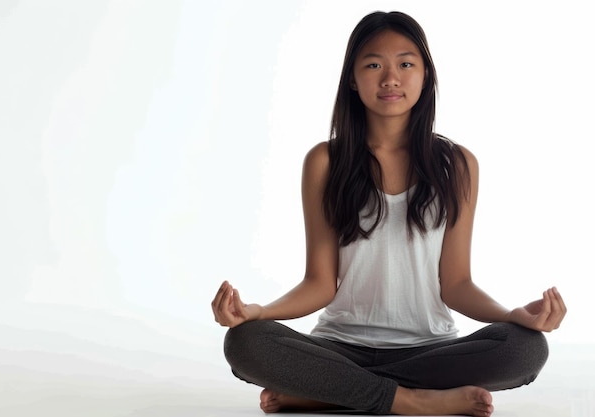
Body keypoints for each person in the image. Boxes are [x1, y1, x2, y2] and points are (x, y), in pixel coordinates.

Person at [211, 10, 566, 417]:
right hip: (339, 347)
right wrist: (256, 312)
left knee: (525, 348)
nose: (390, 78)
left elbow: (457, 284)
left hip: (430, 351)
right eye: (374, 64)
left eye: (406, 63)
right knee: (245, 342)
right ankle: (409, 400)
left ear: (426, 75)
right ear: (352, 78)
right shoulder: (326, 161)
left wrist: (511, 315)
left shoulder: (458, 165)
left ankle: (330, 391)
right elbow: (319, 283)